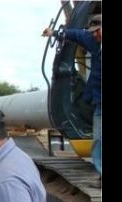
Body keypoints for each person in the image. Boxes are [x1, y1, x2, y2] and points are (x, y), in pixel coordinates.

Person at [43, 13, 102, 186]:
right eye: (92, 33)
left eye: (97, 31)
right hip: (99, 101)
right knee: (98, 139)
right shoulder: (95, 43)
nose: (94, 35)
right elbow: (76, 34)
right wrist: (54, 32)